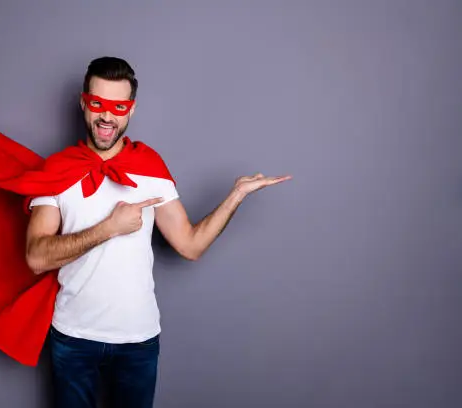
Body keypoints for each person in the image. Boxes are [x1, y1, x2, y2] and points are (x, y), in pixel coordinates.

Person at [24, 56, 292, 408]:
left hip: (138, 339)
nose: (107, 117)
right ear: (83, 103)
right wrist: (108, 228)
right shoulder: (57, 169)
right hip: (74, 338)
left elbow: (190, 245)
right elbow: (36, 257)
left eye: (118, 106)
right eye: (98, 104)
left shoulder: (149, 167)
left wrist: (235, 196)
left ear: (131, 111)